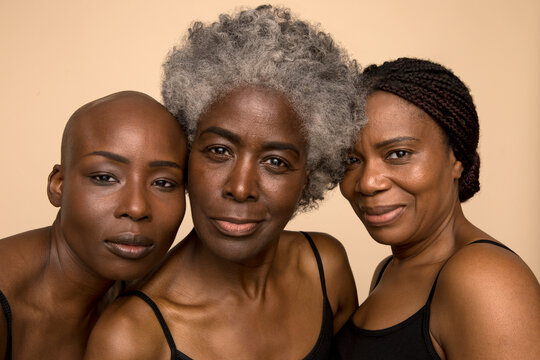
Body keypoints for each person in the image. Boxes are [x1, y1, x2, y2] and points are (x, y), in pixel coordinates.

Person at [84, 5, 362, 360]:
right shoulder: (130, 336)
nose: (240, 187)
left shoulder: (324, 268)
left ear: (307, 178)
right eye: (219, 150)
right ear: (187, 155)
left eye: (275, 162)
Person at [334, 57, 540, 359]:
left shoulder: (485, 279)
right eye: (352, 160)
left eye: (398, 153)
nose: (367, 183)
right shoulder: (390, 270)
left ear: (455, 157)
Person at [0, 91, 188, 360]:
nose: (136, 208)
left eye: (163, 183)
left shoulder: (145, 301)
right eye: (105, 177)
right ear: (58, 185)